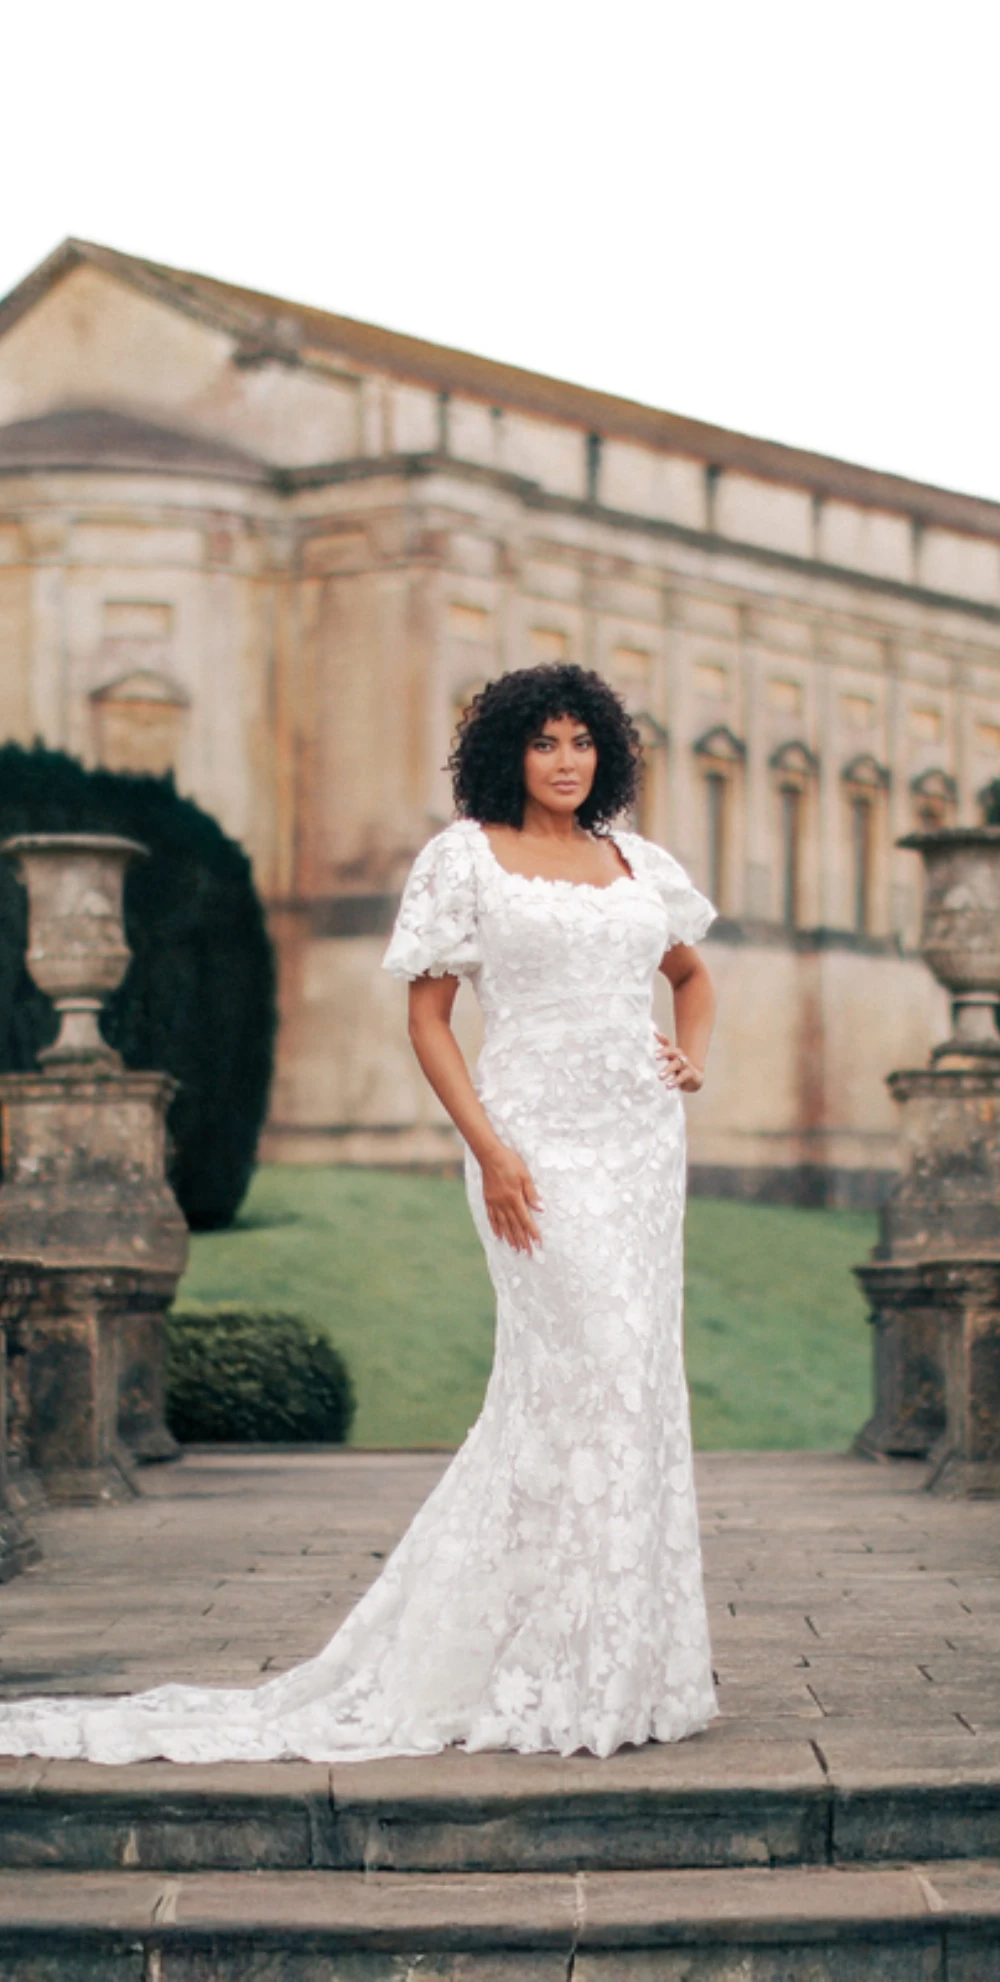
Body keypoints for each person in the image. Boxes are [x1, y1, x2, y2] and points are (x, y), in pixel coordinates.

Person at [0, 663, 718, 1764]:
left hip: (636, 1144)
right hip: (530, 1140)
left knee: (627, 1386)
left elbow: (690, 973)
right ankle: (532, 1661)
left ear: (604, 753)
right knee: (585, 1364)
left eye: (582, 741)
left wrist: (690, 1058)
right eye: (544, 742)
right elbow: (430, 1021)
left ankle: (615, 1659)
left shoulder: (632, 863)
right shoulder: (463, 857)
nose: (567, 760)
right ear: (508, 755)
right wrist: (490, 1149)